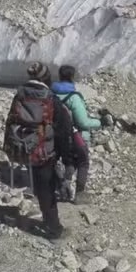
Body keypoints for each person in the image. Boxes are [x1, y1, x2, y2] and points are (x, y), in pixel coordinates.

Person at [3, 62, 74, 240]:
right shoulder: (50, 99)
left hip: (26, 147)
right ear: (46, 78)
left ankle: (48, 220)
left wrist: (10, 146)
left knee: (39, 185)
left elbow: (11, 121)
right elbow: (64, 130)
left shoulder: (20, 95)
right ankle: (54, 229)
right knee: (48, 189)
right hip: (46, 151)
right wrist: (67, 159)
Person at [51, 65, 113, 204]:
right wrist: (100, 122)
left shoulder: (51, 95)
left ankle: (63, 186)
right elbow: (83, 122)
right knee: (82, 162)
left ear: (60, 77)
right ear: (72, 78)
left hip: (56, 137)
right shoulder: (73, 98)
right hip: (75, 136)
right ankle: (79, 194)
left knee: (69, 162)